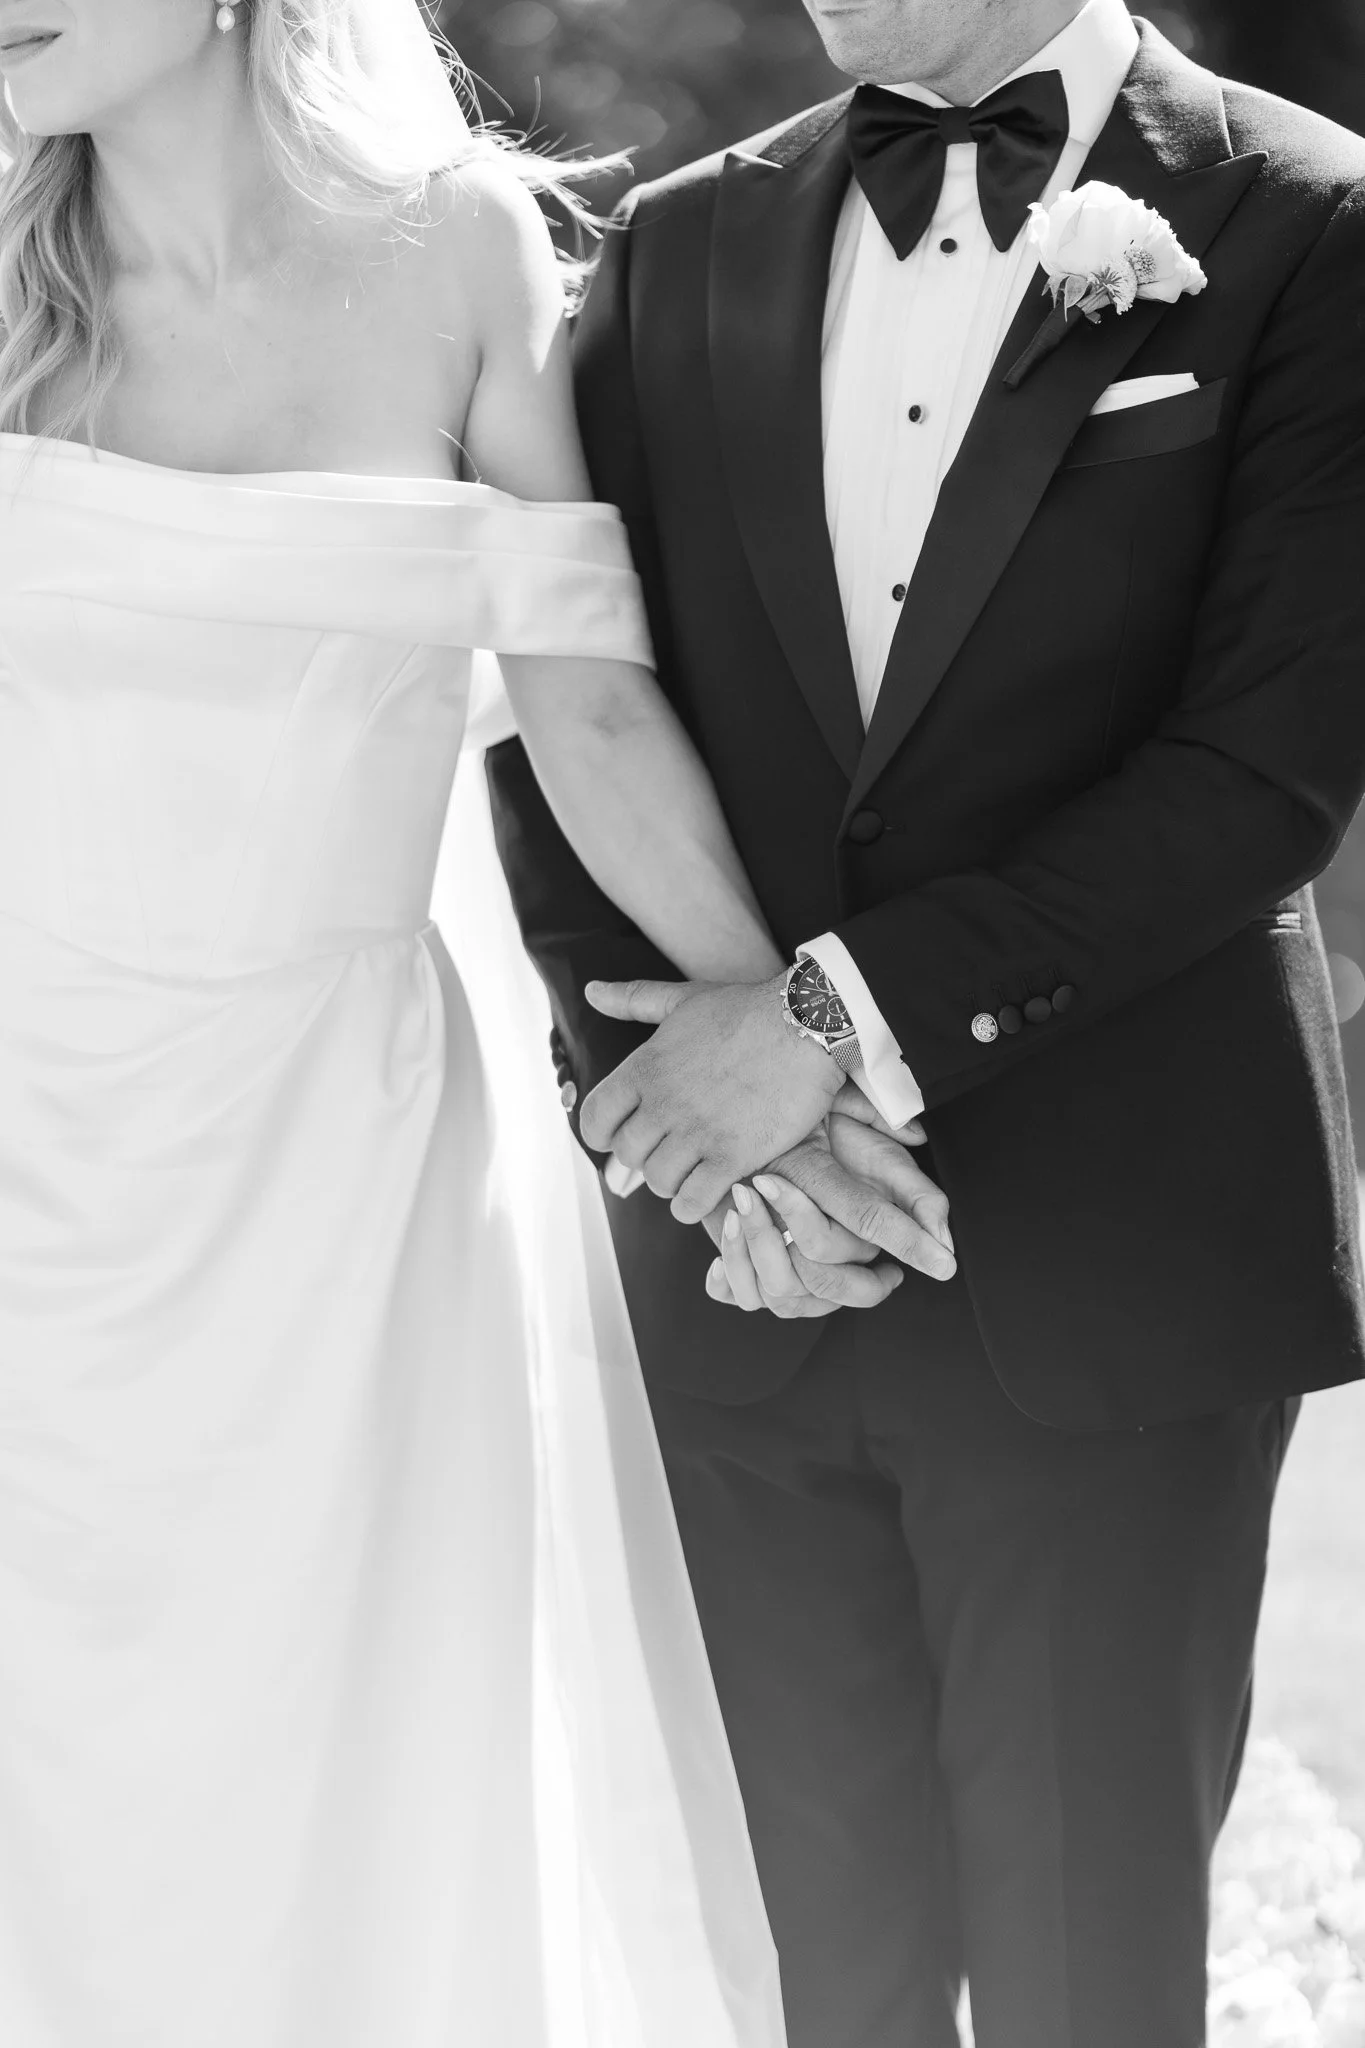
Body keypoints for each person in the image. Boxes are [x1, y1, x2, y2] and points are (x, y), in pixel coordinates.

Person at [0, 1, 949, 2039]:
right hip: (24, 1158)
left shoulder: (460, 255)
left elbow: (589, 710)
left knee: (346, 1736)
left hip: (339, 1168)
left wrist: (792, 1067)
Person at [486, 0, 1365, 2042]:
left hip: (1110, 1274)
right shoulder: (678, 246)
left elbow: (1264, 771)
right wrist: (696, 1134)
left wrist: (827, 1023)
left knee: (1084, 1987)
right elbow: (562, 714)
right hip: (741, 1286)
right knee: (803, 1986)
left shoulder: (1312, 225)